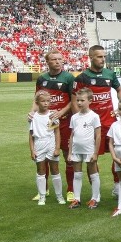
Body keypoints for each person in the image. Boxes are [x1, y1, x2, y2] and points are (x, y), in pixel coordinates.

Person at [72, 45, 121, 200]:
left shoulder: (110, 74)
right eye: (99, 56)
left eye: (104, 56)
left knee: (118, 153)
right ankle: (96, 192)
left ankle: (117, 186)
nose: (103, 59)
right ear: (91, 57)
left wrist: (120, 106)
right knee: (91, 158)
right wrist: (80, 119)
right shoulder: (82, 78)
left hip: (110, 122)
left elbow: (120, 90)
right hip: (91, 126)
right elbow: (74, 99)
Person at [32, 49, 75, 202]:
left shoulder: (68, 78)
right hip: (46, 124)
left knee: (66, 155)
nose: (58, 62)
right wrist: (32, 113)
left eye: (60, 59)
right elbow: (37, 99)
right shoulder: (42, 79)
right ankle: (44, 190)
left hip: (63, 122)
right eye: (54, 59)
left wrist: (61, 111)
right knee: (43, 156)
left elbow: (73, 100)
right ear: (47, 62)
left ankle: (70, 190)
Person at [67, 88, 102, 209]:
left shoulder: (94, 116)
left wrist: (96, 153)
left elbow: (98, 136)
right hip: (76, 150)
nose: (79, 103)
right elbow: (72, 135)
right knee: (77, 174)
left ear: (90, 101)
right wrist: (70, 152)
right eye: (78, 100)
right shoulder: (74, 117)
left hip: (89, 150)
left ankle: (94, 198)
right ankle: (76, 199)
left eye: (82, 100)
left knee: (93, 174)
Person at [29, 90, 63, 205]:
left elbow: (56, 132)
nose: (46, 103)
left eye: (48, 101)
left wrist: (57, 147)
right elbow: (31, 135)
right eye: (43, 101)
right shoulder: (33, 117)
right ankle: (42, 196)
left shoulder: (51, 115)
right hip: (39, 144)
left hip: (50, 143)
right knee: (41, 170)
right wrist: (32, 150)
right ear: (37, 102)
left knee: (55, 169)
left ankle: (59, 196)